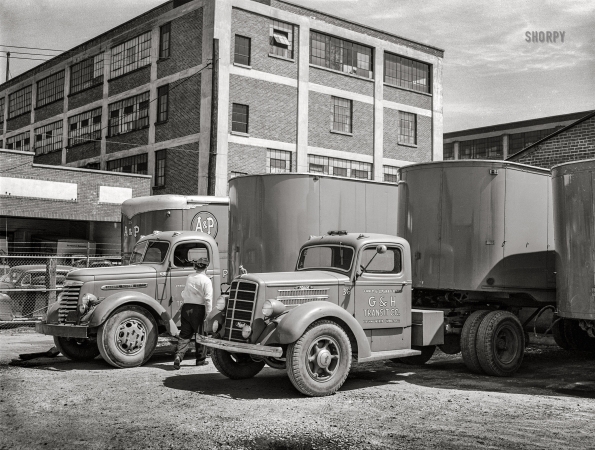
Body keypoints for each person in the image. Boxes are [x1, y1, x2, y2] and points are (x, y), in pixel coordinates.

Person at [174, 256, 212, 369]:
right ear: (206, 267)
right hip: (198, 309)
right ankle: (200, 360)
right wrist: (209, 315)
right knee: (200, 335)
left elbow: (184, 294)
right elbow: (208, 299)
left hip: (186, 308)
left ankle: (178, 356)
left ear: (196, 266)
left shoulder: (190, 277)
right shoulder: (206, 280)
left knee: (184, 334)